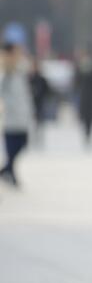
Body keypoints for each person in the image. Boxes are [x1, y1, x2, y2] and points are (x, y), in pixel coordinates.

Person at [0, 36, 32, 188]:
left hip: (22, 113)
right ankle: (9, 172)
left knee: (23, 143)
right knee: (12, 147)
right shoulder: (5, 71)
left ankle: (7, 170)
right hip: (11, 116)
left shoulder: (19, 68)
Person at [73, 47, 92, 149]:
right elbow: (76, 81)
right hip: (83, 96)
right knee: (84, 117)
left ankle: (89, 135)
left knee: (90, 118)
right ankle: (86, 135)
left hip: (91, 97)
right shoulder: (80, 67)